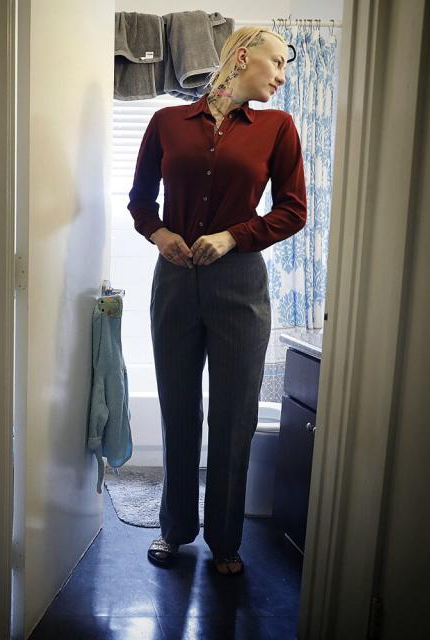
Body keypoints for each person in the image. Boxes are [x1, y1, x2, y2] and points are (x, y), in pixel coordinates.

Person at [127, 26, 307, 576]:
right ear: (244, 56)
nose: (280, 77)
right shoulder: (166, 123)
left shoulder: (278, 127)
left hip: (240, 287)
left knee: (234, 417)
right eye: (276, 63)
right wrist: (160, 235)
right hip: (175, 282)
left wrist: (233, 235)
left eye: (286, 69)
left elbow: (293, 211)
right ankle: (175, 530)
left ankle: (226, 541)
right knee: (180, 410)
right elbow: (140, 201)